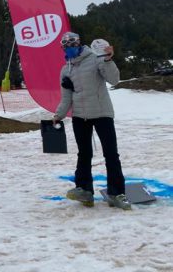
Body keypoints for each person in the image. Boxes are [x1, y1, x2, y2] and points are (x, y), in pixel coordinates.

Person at [52, 32, 131, 210]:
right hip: (80, 116)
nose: (69, 48)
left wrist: (109, 60)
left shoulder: (96, 59)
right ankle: (85, 191)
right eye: (65, 46)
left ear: (79, 44)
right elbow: (66, 99)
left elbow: (114, 79)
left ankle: (116, 193)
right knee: (84, 154)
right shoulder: (66, 70)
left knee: (111, 154)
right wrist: (58, 115)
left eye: (72, 44)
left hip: (102, 113)